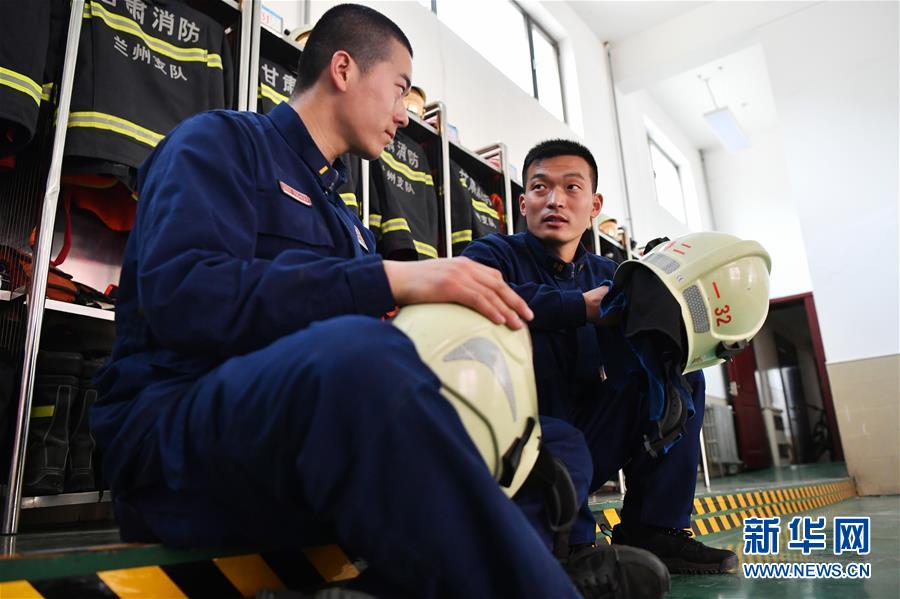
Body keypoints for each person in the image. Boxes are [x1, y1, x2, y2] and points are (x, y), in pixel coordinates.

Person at [90, 5, 664, 598]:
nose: (402, 115)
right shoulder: (220, 143)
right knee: (363, 354)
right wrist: (390, 280)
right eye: (398, 89)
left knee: (550, 443)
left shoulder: (346, 221)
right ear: (343, 69)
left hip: (317, 443)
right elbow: (186, 296)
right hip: (180, 440)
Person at [462, 139, 739, 574]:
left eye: (571, 187)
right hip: (513, 448)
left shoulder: (612, 276)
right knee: (549, 375)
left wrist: (696, 325)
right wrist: (580, 307)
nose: (555, 200)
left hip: (587, 440)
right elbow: (474, 290)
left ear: (594, 205)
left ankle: (654, 528)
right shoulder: (491, 255)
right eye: (540, 187)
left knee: (677, 368)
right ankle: (569, 542)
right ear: (523, 201)